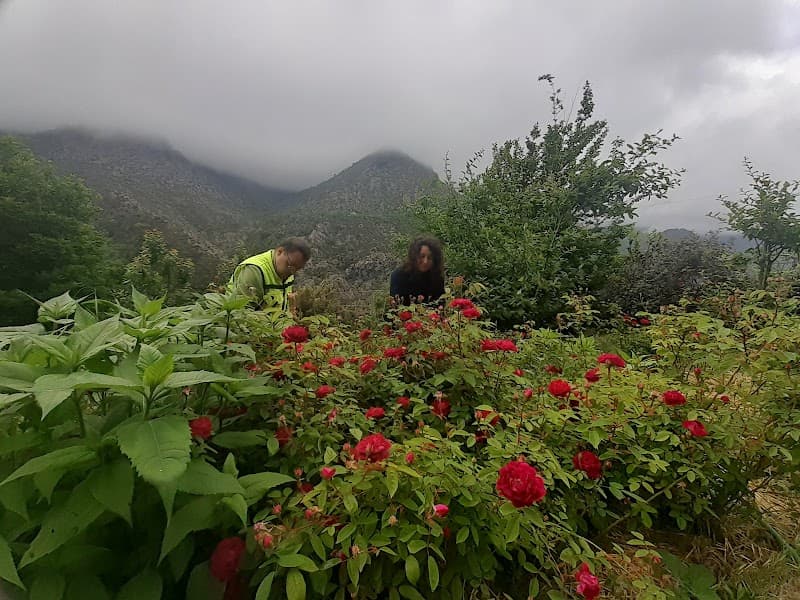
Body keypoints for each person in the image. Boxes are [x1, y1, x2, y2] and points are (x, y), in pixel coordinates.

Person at [228, 238, 310, 313]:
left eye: (298, 269)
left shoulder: (289, 270)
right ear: (279, 252)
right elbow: (241, 313)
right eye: (290, 265)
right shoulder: (253, 270)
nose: (293, 272)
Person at [389, 236, 445, 305]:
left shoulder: (437, 277)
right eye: (422, 256)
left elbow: (440, 303)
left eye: (430, 258)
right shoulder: (399, 276)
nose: (425, 261)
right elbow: (395, 305)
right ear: (414, 256)